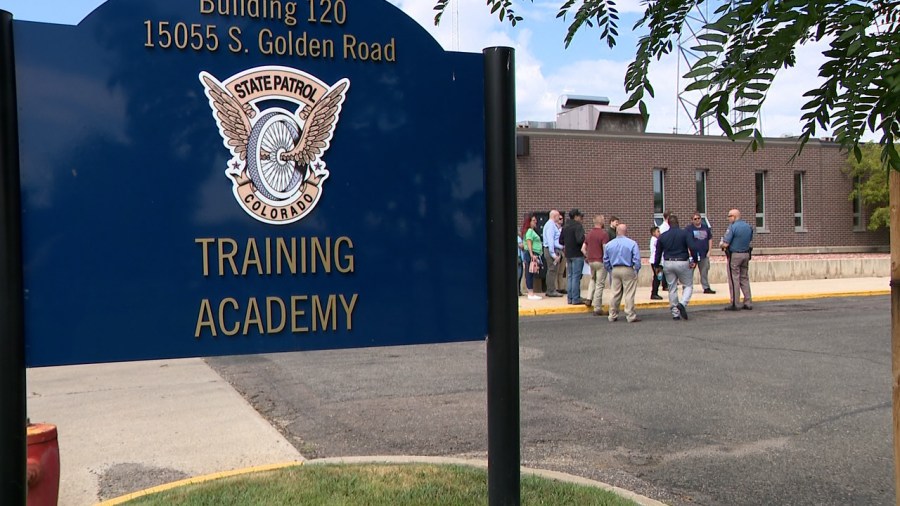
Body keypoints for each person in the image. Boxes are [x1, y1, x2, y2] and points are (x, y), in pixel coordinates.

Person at [654, 214, 698, 320]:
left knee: (672, 287)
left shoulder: (663, 236)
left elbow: (658, 252)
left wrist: (657, 266)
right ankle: (682, 303)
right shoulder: (685, 234)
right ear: (678, 223)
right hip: (682, 261)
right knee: (688, 285)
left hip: (668, 262)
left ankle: (675, 313)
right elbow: (692, 247)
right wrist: (695, 260)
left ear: (668, 224)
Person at [603, 223, 641, 322]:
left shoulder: (609, 244)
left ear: (616, 231)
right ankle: (630, 315)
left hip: (615, 269)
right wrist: (636, 269)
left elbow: (605, 260)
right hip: (627, 268)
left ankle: (612, 314)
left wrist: (610, 270)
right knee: (629, 293)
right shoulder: (632, 243)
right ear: (626, 231)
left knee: (615, 293)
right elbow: (636, 259)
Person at [720, 208, 754, 310]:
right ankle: (748, 301)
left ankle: (735, 302)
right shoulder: (748, 226)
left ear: (734, 216)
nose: (728, 218)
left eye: (729, 216)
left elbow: (726, 243)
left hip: (735, 255)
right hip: (746, 254)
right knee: (744, 278)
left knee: (734, 279)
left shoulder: (733, 227)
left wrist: (721, 244)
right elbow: (750, 239)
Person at [583, 215, 610, 315]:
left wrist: (587, 256)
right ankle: (597, 307)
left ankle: (589, 298)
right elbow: (605, 248)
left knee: (593, 279)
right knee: (600, 284)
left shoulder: (589, 234)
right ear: (601, 222)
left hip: (591, 261)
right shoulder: (604, 234)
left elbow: (583, 248)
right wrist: (607, 260)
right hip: (600, 261)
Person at [561, 208, 587, 305]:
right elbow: (580, 240)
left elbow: (561, 241)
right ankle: (576, 298)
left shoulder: (565, 226)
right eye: (580, 217)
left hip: (568, 254)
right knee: (576, 276)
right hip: (577, 254)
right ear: (576, 216)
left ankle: (570, 298)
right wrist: (584, 237)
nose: (581, 219)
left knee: (570, 276)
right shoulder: (578, 226)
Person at [688, 212, 716, 294]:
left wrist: (709, 251)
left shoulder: (705, 228)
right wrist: (688, 251)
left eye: (698, 218)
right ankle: (688, 288)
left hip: (704, 254)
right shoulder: (689, 229)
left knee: (704, 272)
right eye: (695, 219)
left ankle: (706, 287)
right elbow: (686, 240)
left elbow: (710, 239)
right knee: (689, 272)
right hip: (692, 255)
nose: (697, 220)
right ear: (692, 220)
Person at [541, 210, 564, 297]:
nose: (559, 218)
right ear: (554, 216)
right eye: (558, 216)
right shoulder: (550, 226)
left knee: (552, 270)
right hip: (552, 250)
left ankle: (550, 289)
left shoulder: (551, 225)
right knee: (552, 270)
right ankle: (551, 290)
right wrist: (554, 255)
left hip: (553, 250)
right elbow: (551, 241)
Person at [521, 213, 543, 300]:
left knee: (531, 272)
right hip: (531, 253)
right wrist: (531, 254)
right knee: (529, 272)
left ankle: (531, 292)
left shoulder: (531, 231)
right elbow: (529, 242)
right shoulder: (530, 231)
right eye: (533, 220)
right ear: (529, 222)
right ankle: (530, 293)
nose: (535, 222)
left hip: (533, 253)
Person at [648, 226, 664, 300]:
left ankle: (655, 292)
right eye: (658, 231)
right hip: (656, 262)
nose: (659, 233)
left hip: (657, 261)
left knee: (658, 277)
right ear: (653, 233)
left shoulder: (655, 240)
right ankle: (654, 293)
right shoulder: (655, 240)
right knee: (657, 277)